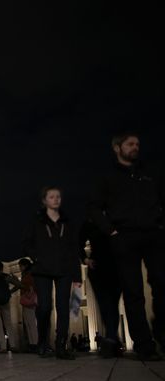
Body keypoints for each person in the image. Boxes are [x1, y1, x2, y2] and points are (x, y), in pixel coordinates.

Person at [87, 132, 164, 361]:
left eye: (138, 144)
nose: (135, 147)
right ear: (117, 148)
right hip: (124, 237)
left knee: (161, 282)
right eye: (130, 144)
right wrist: (111, 231)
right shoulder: (107, 177)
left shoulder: (150, 173)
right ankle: (143, 344)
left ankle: (161, 329)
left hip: (154, 235)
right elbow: (93, 207)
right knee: (133, 292)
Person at [23, 186, 82, 360]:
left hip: (64, 270)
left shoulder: (67, 222)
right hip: (42, 270)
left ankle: (61, 345)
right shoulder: (36, 221)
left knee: (63, 308)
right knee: (44, 307)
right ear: (44, 200)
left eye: (58, 197)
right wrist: (36, 257)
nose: (56, 199)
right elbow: (26, 242)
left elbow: (74, 249)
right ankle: (42, 342)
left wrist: (77, 277)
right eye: (51, 197)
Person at [80, 218, 123, 358]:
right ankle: (112, 339)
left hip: (117, 266)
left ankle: (111, 339)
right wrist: (85, 259)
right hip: (97, 266)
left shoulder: (118, 216)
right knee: (105, 305)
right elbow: (78, 242)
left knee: (112, 304)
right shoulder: (91, 222)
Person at [17, 258, 39, 353]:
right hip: (26, 300)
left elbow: (27, 286)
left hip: (29, 300)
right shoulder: (26, 274)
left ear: (25, 265)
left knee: (31, 323)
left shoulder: (29, 274)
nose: (20, 268)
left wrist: (16, 282)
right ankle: (32, 343)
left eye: (20, 266)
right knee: (28, 323)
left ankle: (35, 343)